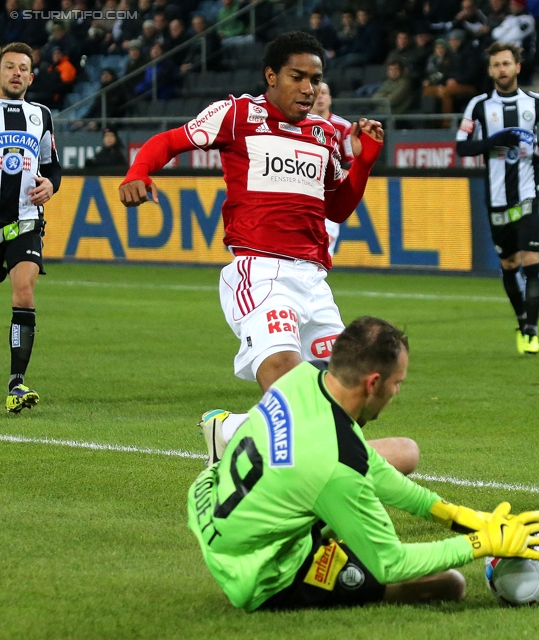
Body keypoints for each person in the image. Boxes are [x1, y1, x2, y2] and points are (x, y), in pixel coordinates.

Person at [118, 31, 415, 473]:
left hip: (314, 281)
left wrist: (364, 162)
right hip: (262, 272)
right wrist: (136, 172)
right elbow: (170, 142)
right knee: (285, 374)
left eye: (315, 79)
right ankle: (307, 484)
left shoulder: (323, 135)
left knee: (345, 394)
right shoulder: (237, 114)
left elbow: (336, 205)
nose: (309, 89)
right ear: (271, 76)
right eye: (298, 77)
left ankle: (233, 433)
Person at [187, 315, 539, 612]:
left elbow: (373, 468)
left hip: (212, 506)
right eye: (398, 383)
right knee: (449, 585)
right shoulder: (334, 466)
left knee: (348, 502)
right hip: (257, 573)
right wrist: (479, 543)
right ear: (373, 382)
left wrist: (456, 516)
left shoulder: (300, 380)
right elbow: (390, 563)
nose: (397, 393)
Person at [456, 42, 539, 355]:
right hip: (498, 196)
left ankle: (531, 332)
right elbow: (462, 146)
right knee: (509, 263)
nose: (501, 70)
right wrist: (495, 140)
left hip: (530, 192)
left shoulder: (536, 102)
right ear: (490, 71)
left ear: (518, 67)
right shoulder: (478, 106)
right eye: (496, 65)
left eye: (506, 64)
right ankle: (520, 319)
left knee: (530, 259)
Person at [0, 42, 62, 412]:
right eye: (9, 66)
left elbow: (51, 165)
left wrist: (51, 185)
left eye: (23, 67)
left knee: (23, 294)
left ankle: (16, 384)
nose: (16, 73)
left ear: (31, 75)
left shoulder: (40, 115)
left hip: (24, 222)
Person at [310, 81, 355, 256]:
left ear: (330, 98)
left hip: (328, 195)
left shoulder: (343, 127)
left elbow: (350, 164)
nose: (320, 97)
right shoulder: (297, 124)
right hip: (302, 189)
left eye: (324, 93)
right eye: (317, 93)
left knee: (324, 251)